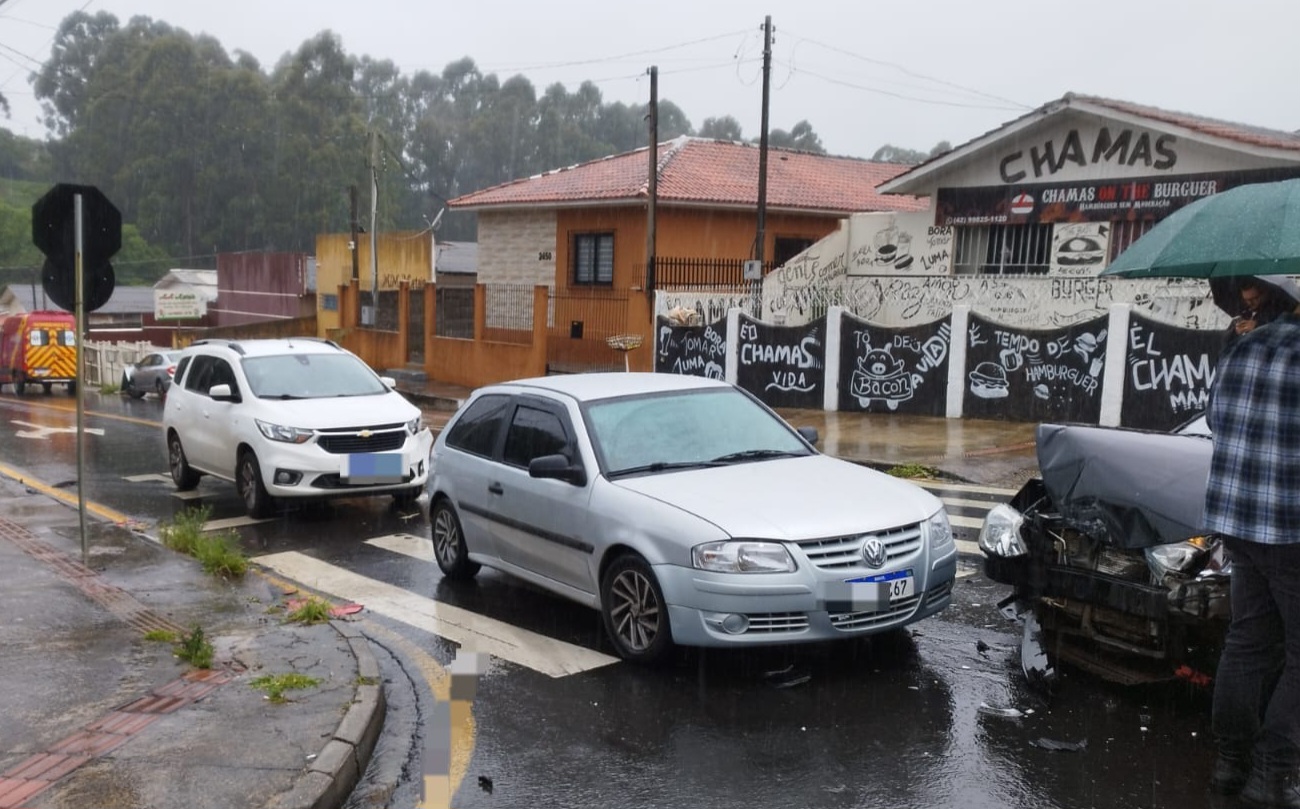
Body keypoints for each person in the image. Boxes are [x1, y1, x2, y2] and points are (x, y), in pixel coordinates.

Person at [1204, 299, 1300, 808]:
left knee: (1248, 642)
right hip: (1290, 527)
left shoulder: (1239, 347)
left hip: (1239, 522)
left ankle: (1230, 763)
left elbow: (1216, 420)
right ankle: (1274, 772)